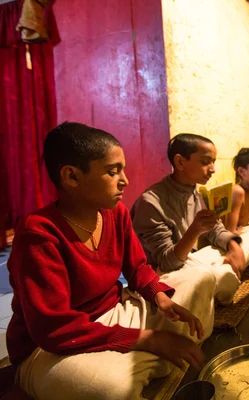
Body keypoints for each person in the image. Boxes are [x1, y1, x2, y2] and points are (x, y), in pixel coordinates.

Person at [7, 122, 210, 400]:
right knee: (111, 389)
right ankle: (143, 362)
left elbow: (138, 268)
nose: (124, 180)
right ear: (72, 177)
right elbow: (51, 328)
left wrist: (159, 296)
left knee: (201, 280)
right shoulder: (38, 233)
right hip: (53, 345)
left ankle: (141, 361)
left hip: (114, 311)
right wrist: (147, 339)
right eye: (113, 171)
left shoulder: (116, 214)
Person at [131, 134, 249, 304]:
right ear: (180, 162)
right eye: (205, 161)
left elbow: (215, 230)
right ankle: (217, 280)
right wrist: (195, 230)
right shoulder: (150, 202)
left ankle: (217, 280)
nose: (213, 169)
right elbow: (166, 263)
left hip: (193, 260)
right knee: (205, 274)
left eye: (213, 162)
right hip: (166, 274)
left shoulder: (195, 192)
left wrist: (233, 244)